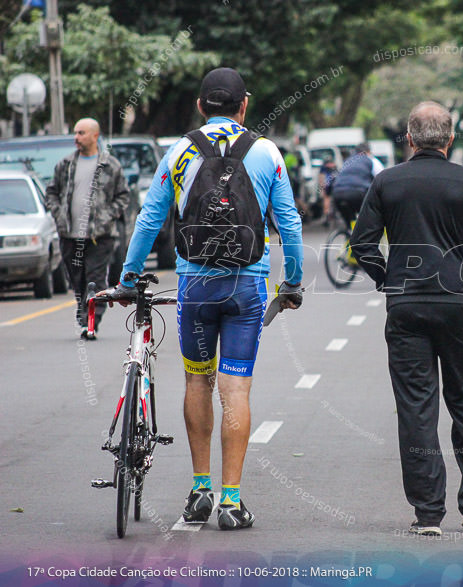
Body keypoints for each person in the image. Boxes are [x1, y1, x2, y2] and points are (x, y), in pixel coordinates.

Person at [100, 67, 305, 530]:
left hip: (196, 286)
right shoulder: (268, 152)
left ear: (199, 106)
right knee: (236, 389)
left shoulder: (178, 151)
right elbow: (289, 223)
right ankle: (231, 502)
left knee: (198, 382)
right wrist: (291, 283)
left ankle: (199, 489)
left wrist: (131, 276)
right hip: (247, 288)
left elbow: (149, 220)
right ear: (244, 105)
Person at [350, 101, 463, 536]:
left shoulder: (387, 182)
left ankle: (428, 514)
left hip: (406, 308)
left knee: (417, 408)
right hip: (455, 305)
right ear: (450, 139)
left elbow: (362, 245)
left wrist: (387, 279)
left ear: (410, 138)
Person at [44, 118, 130, 340]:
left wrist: (107, 216)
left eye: (81, 133)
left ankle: (91, 321)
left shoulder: (110, 165)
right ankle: (83, 314)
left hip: (99, 236)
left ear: (94, 135)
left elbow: (123, 197)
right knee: (77, 279)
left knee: (95, 279)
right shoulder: (65, 165)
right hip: (70, 235)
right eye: (75, 133)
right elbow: (51, 192)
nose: (77, 137)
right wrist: (58, 214)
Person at [327, 142, 384, 227]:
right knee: (368, 218)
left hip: (337, 193)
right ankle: (363, 234)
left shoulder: (348, 161)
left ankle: (349, 233)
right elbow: (381, 179)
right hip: (357, 192)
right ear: (369, 152)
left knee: (349, 222)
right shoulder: (372, 160)